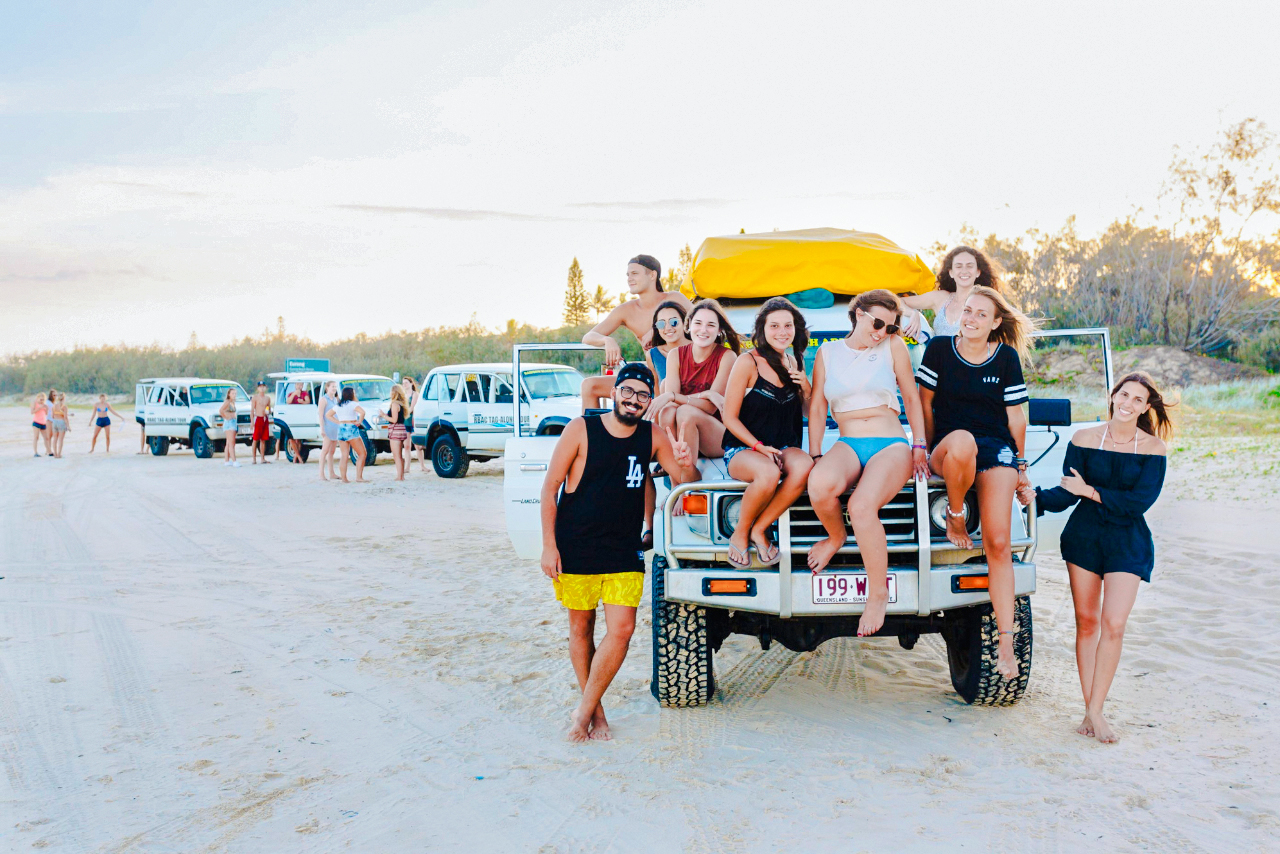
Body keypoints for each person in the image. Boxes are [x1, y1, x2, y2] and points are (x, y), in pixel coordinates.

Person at [541, 364, 697, 742]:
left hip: (624, 548)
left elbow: (686, 483)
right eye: (627, 391)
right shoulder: (581, 429)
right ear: (615, 392)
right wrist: (549, 545)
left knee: (622, 631)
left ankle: (581, 714)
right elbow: (550, 488)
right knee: (581, 629)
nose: (634, 400)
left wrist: (683, 459)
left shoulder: (652, 434)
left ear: (649, 401)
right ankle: (597, 714)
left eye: (643, 395)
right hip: (576, 544)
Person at [1020, 372, 1171, 744]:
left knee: (1114, 624)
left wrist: (1090, 490)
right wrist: (1034, 498)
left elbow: (1138, 503)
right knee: (1086, 623)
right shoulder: (1083, 439)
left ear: (1146, 407)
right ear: (1112, 395)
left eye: (1137, 399)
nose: (1128, 403)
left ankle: (1096, 711)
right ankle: (1092, 711)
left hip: (1127, 541)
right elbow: (1067, 493)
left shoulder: (1153, 449)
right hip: (1085, 537)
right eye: (1124, 394)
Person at [916, 285, 1034, 680]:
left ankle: (1004, 643)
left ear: (996, 323)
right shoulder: (939, 351)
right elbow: (925, 405)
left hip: (995, 449)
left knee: (999, 543)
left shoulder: (1006, 359)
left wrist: (1020, 467)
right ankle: (954, 514)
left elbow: (1016, 417)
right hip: (949, 448)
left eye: (981, 314)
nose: (971, 318)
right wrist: (929, 451)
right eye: (967, 310)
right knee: (963, 440)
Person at [806, 291, 932, 636]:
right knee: (818, 484)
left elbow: (911, 396)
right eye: (877, 322)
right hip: (847, 441)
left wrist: (919, 444)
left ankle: (878, 594)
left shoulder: (893, 347)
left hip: (890, 442)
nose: (882, 331)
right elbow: (817, 406)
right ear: (859, 314)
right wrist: (817, 454)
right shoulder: (827, 352)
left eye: (890, 326)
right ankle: (835, 537)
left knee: (862, 506)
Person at [719, 298, 814, 569]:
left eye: (788, 325)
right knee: (769, 473)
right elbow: (729, 417)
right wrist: (759, 447)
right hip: (744, 449)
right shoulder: (747, 362)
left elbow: (807, 412)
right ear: (762, 329)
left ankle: (759, 528)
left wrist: (805, 386)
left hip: (784, 446)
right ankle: (740, 532)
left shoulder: (795, 360)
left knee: (805, 467)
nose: (782, 331)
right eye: (774, 326)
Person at [580, 255, 692, 412]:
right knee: (589, 385)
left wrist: (657, 328)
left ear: (652, 275)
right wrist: (607, 340)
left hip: (683, 372)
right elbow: (588, 337)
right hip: (652, 377)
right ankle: (593, 435)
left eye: (635, 273)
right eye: (628, 275)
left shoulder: (675, 299)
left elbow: (700, 324)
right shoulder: (626, 310)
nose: (629, 279)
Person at [650, 299, 739, 467]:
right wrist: (704, 394)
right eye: (698, 323)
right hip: (685, 432)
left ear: (719, 330)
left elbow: (710, 407)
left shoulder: (727, 356)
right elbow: (671, 402)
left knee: (685, 412)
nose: (703, 330)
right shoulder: (675, 355)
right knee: (668, 411)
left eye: (711, 325)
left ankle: (686, 475)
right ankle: (675, 475)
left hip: (718, 434)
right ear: (689, 325)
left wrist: (676, 396)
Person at [899, 246, 1004, 340]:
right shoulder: (940, 298)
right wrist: (912, 313)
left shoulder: (984, 303)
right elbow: (896, 301)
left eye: (969, 266)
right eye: (958, 266)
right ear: (951, 272)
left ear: (978, 272)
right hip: (935, 360)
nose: (964, 271)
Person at [643, 300, 690, 391]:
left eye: (674, 322)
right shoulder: (653, 355)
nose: (668, 328)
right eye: (661, 324)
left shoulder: (700, 348)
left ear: (685, 322)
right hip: (667, 404)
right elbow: (657, 394)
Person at [326, 387, 367, 483]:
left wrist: (338, 422)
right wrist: (359, 421)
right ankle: (359, 477)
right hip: (351, 427)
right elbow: (362, 412)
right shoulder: (353, 404)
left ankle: (344, 478)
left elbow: (328, 415)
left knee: (344, 455)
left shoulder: (339, 405)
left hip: (341, 429)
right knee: (362, 453)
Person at [379, 384, 411, 482]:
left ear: (394, 393)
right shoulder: (402, 404)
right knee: (400, 455)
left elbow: (394, 419)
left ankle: (399, 476)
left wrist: (383, 415)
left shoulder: (394, 404)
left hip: (395, 429)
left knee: (396, 455)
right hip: (402, 428)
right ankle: (401, 476)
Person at [402, 376, 427, 474]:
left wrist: (402, 414)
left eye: (406, 383)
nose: (405, 385)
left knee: (417, 446)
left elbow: (412, 408)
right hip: (405, 422)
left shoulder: (415, 394)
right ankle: (407, 467)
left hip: (412, 421)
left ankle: (422, 466)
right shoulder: (403, 395)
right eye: (403, 383)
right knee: (407, 446)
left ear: (411, 383)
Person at [317, 381, 340, 481]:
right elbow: (321, 415)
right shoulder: (323, 399)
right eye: (332, 387)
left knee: (332, 451)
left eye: (335, 387)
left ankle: (332, 473)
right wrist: (322, 428)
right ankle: (321, 474)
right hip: (327, 427)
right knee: (325, 451)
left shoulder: (335, 399)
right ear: (327, 388)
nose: (334, 388)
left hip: (335, 427)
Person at [285, 383, 311, 464]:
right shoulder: (291, 394)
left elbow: (308, 401)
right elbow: (288, 402)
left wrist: (302, 402)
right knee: (291, 438)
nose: (299, 386)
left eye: (301, 385)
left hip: (300, 417)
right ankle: (298, 457)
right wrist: (294, 394)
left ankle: (296, 456)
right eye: (298, 385)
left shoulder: (304, 393)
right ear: (295, 386)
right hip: (292, 417)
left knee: (298, 439)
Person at [251, 383, 273, 464]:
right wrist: (252, 421)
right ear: (258, 388)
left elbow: (269, 408)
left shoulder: (267, 398)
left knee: (263, 439)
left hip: (265, 419)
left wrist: (268, 411)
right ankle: (254, 458)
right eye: (260, 387)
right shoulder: (255, 398)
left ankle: (262, 458)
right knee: (255, 439)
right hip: (258, 418)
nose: (262, 388)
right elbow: (252, 410)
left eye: (263, 387)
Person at [219, 388, 241, 467]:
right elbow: (221, 410)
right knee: (232, 443)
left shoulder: (233, 402)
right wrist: (226, 417)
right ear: (229, 394)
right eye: (233, 394)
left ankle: (227, 460)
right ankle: (234, 460)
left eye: (235, 393)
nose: (234, 395)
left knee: (229, 443)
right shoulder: (227, 402)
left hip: (233, 422)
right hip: (229, 423)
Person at [49, 393, 71, 458]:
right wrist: (68, 426)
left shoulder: (54, 406)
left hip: (55, 422)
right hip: (61, 422)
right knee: (60, 440)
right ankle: (59, 454)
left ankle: (55, 454)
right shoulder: (64, 407)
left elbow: (52, 416)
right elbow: (65, 418)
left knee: (55, 439)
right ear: (63, 399)